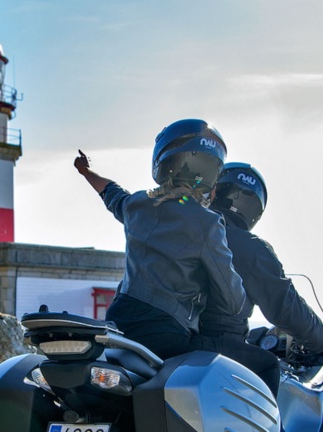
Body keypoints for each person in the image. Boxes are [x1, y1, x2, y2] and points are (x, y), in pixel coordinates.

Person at [74, 118, 280, 396]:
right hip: (167, 338)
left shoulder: (136, 204)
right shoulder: (207, 222)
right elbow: (232, 299)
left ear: (161, 163)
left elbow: (110, 192)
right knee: (266, 364)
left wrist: (85, 171)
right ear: (212, 178)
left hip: (119, 330)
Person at [200, 162, 323, 354]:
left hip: (165, 341)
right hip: (216, 351)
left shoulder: (185, 226)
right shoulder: (250, 247)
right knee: (272, 371)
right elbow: (286, 307)